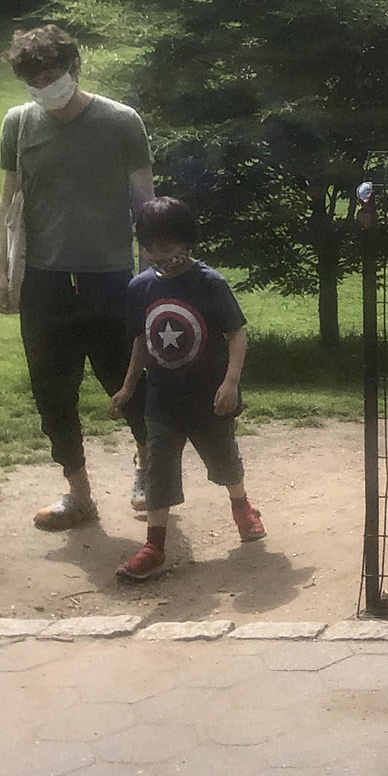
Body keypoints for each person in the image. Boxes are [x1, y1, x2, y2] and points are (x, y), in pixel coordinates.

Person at [0, 25, 154, 531]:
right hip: (44, 281)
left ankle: (150, 466)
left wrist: (154, 278)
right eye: (35, 81)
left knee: (128, 381)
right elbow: (8, 202)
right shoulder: (19, 123)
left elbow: (145, 203)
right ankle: (79, 495)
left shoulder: (121, 121)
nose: (46, 87)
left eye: (53, 75)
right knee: (52, 392)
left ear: (73, 68)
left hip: (111, 277)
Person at [108, 197, 264, 582]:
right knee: (157, 470)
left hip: (209, 398)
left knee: (224, 460)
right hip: (162, 400)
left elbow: (237, 334)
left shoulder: (209, 284)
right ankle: (154, 546)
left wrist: (230, 382)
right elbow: (142, 341)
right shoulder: (140, 288)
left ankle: (242, 506)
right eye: (152, 246)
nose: (161, 253)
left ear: (186, 240)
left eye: (168, 244)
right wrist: (128, 387)